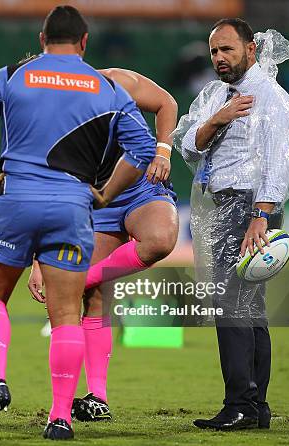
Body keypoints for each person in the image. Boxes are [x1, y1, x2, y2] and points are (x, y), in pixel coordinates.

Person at [0, 5, 155, 440]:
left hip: (15, 199)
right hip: (71, 206)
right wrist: (106, 194)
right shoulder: (108, 88)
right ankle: (60, 418)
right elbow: (143, 149)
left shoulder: (12, 74)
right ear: (84, 43)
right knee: (66, 315)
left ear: (42, 39)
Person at [28, 68, 179, 421]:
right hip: (96, 203)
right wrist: (37, 262)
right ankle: (98, 397)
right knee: (95, 300)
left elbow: (166, 103)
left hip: (142, 188)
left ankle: (85, 276)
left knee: (161, 239)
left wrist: (163, 152)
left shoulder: (116, 82)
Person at [176, 19, 289, 430]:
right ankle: (255, 406)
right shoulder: (219, 96)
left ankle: (240, 405)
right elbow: (189, 145)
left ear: (251, 49)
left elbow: (278, 165)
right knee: (248, 309)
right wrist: (220, 117)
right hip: (228, 205)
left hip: (248, 209)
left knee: (231, 307)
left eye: (227, 49)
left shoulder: (274, 101)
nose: (219, 58)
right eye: (214, 51)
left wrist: (260, 217)